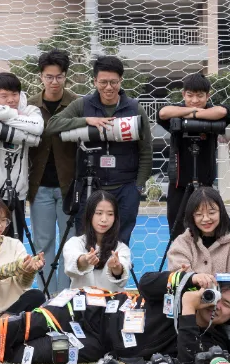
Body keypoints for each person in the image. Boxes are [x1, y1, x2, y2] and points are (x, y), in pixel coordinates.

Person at [0, 269, 230, 364]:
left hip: (99, 345)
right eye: (214, 296)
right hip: (91, 307)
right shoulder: (180, 288)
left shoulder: (211, 339)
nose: (215, 306)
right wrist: (188, 280)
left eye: (226, 306)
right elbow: (146, 283)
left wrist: (189, 310)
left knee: (28, 355)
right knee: (33, 323)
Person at [44, 55, 152, 245]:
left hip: (125, 187)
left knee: (120, 242)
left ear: (121, 81)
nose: (108, 87)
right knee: (86, 241)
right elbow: (52, 125)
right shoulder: (83, 105)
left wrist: (138, 186)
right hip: (90, 186)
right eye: (103, 82)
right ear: (94, 81)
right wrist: (86, 120)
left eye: (113, 82)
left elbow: (146, 150)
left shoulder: (134, 108)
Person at [156, 73, 230, 239]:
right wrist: (195, 111)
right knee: (177, 233)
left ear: (208, 96)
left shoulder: (212, 111)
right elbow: (162, 113)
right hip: (179, 184)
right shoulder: (176, 111)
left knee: (210, 230)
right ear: (183, 94)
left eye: (200, 96)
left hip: (205, 184)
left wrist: (193, 115)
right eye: (190, 95)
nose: (194, 100)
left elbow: (224, 111)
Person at [28, 49, 80, 294]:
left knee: (71, 244)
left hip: (70, 186)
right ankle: (48, 295)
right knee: (43, 243)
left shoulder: (78, 104)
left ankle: (66, 296)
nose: (54, 82)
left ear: (66, 76)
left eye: (59, 76)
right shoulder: (30, 105)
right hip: (39, 186)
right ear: (41, 76)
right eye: (49, 77)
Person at [0, 72, 44, 241]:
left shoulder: (30, 109)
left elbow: (37, 126)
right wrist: (16, 116)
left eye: (14, 94)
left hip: (17, 191)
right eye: (4, 96)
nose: (11, 100)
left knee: (14, 243)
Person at [165, 187, 230, 281]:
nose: (206, 219)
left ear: (221, 212)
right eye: (199, 214)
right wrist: (194, 280)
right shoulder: (182, 243)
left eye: (211, 213)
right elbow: (176, 279)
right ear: (191, 216)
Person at [61, 190, 132, 292]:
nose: (104, 219)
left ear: (115, 218)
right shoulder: (74, 243)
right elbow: (70, 267)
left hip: (111, 301)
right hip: (82, 301)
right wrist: (85, 260)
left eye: (110, 214)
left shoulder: (121, 248)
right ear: (89, 215)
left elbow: (122, 279)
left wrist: (117, 268)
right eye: (99, 213)